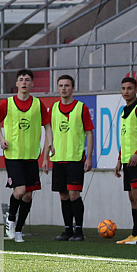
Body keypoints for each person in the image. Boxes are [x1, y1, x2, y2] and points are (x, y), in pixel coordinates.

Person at [0, 69, 53, 243]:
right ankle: (10, 219)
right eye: (21, 79)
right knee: (19, 191)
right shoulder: (8, 103)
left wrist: (50, 143)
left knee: (28, 195)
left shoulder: (38, 104)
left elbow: (47, 125)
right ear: (17, 83)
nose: (24, 82)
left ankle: (18, 230)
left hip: (31, 155)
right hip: (13, 155)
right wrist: (1, 138)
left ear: (32, 83)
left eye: (27, 80)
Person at [51, 75, 94, 242]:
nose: (63, 88)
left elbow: (89, 132)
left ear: (73, 88)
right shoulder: (54, 108)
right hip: (58, 158)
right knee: (63, 195)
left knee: (74, 194)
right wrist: (47, 157)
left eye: (67, 86)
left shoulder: (81, 108)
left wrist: (89, 157)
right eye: (61, 85)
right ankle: (67, 229)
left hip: (75, 158)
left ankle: (79, 231)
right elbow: (49, 132)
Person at [114, 76, 137, 245]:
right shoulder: (124, 111)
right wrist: (120, 159)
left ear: (136, 90)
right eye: (123, 88)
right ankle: (135, 234)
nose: (126, 92)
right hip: (127, 160)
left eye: (129, 88)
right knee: (131, 196)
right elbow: (125, 138)